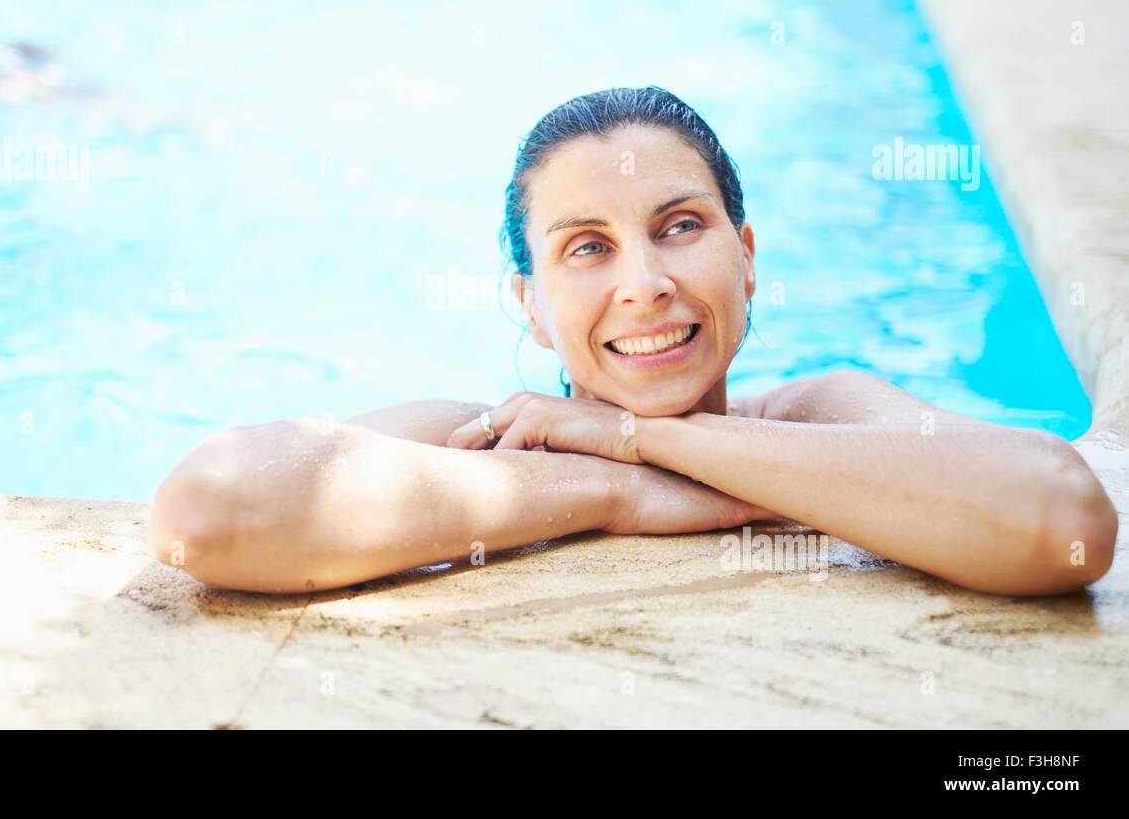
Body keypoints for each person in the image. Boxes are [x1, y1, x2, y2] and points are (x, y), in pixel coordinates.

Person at [149, 86, 1116, 597]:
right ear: (530, 306)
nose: (643, 283)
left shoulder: (824, 413)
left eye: (681, 227)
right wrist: (614, 489)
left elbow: (1060, 521)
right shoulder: (488, 440)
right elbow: (208, 509)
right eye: (588, 247)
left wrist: (641, 438)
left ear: (746, 259)